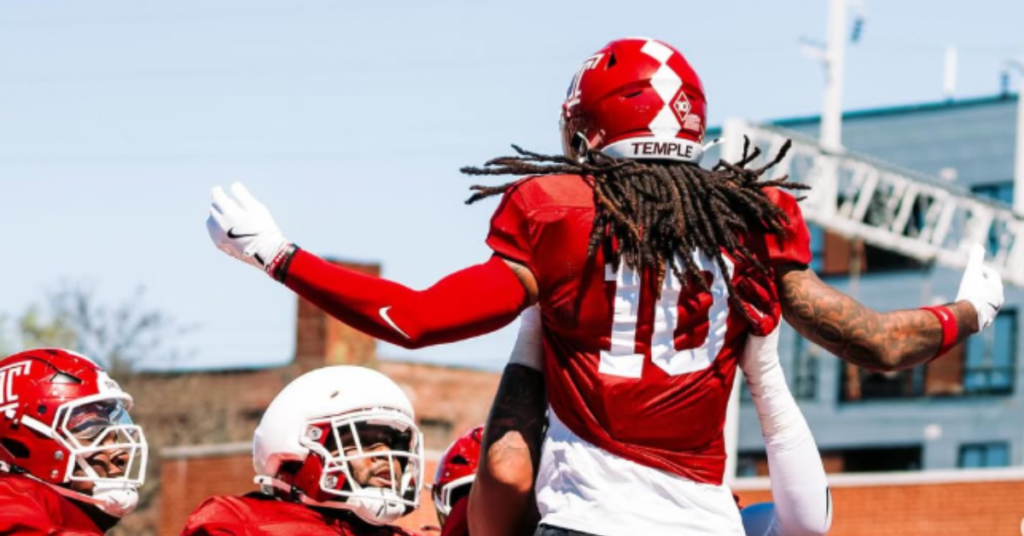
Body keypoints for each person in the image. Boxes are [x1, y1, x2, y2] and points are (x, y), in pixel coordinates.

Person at [206, 37, 1002, 535]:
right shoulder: (750, 225)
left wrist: (278, 255)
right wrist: (972, 309)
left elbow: (413, 320)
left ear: (586, 131)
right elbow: (881, 344)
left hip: (587, 523)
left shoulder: (560, 214)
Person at [436, 308, 831, 536]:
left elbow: (503, 482)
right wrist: (763, 367)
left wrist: (534, 324)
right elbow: (810, 522)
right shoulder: (708, 507)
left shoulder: (562, 486)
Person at [181, 365, 425, 536]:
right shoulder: (240, 523)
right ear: (296, 450)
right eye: (362, 442)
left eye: (393, 445)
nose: (385, 455)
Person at [0, 348, 148, 535]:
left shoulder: (57, 521)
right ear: (20, 444)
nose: (122, 455)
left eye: (114, 435)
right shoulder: (17, 518)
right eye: (92, 431)